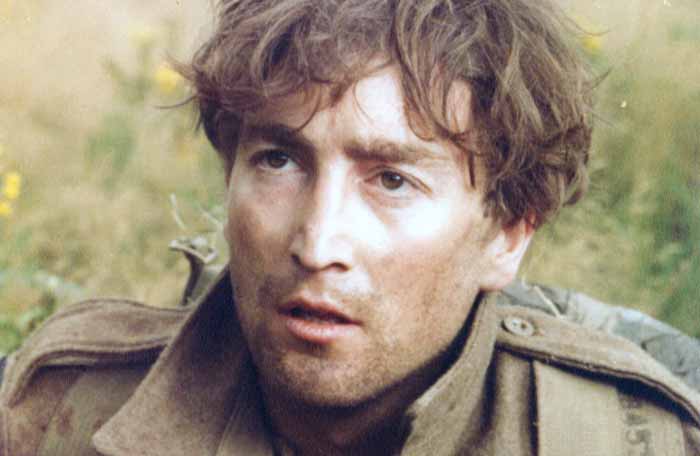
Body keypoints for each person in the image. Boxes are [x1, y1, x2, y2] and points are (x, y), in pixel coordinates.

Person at [1, 0, 699, 454]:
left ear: (507, 235)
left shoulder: (631, 441)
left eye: (392, 180)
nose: (317, 243)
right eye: (278, 160)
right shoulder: (51, 414)